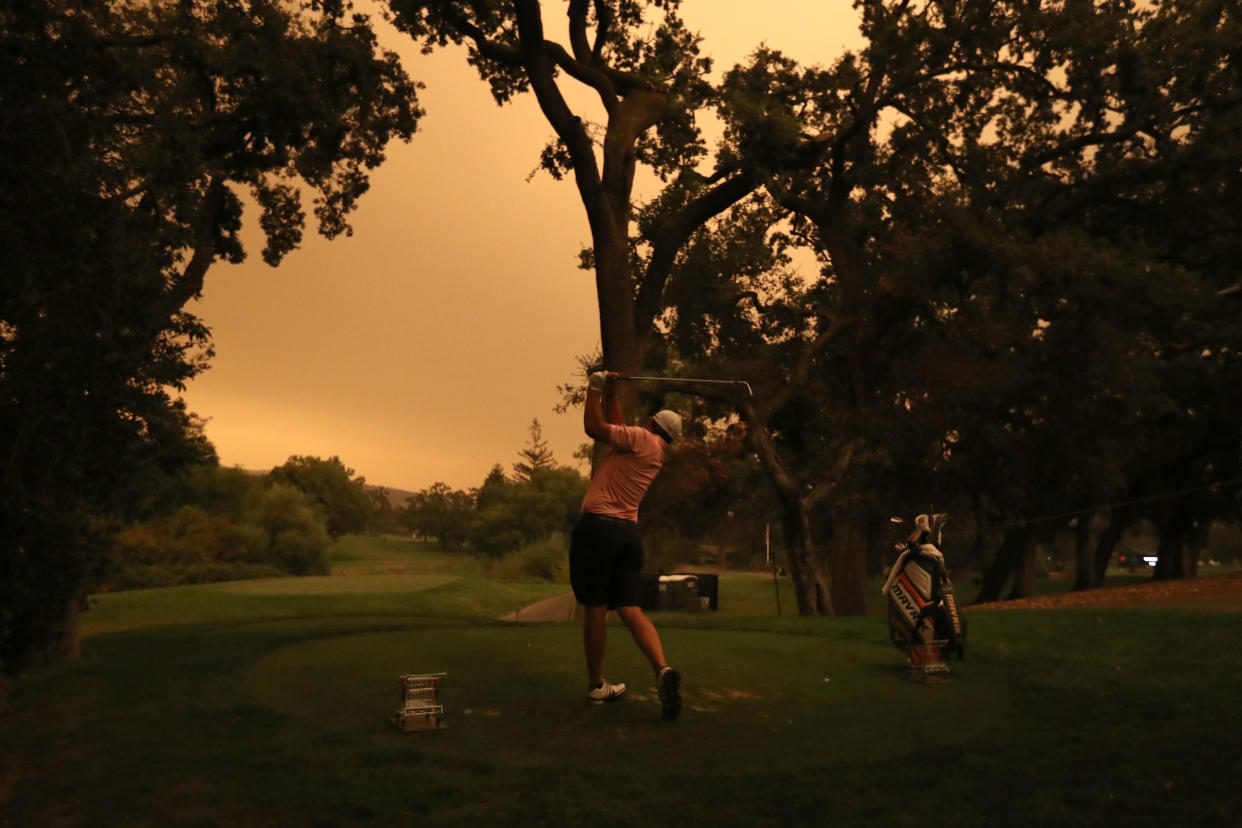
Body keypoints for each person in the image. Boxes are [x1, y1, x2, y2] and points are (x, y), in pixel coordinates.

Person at [570, 369, 683, 721]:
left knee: (595, 608)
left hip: (599, 531)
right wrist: (613, 393)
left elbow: (595, 428)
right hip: (628, 536)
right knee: (631, 608)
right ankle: (662, 669)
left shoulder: (640, 439)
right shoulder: (654, 450)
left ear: (650, 423)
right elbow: (619, 431)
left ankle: (596, 685)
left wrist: (594, 386)